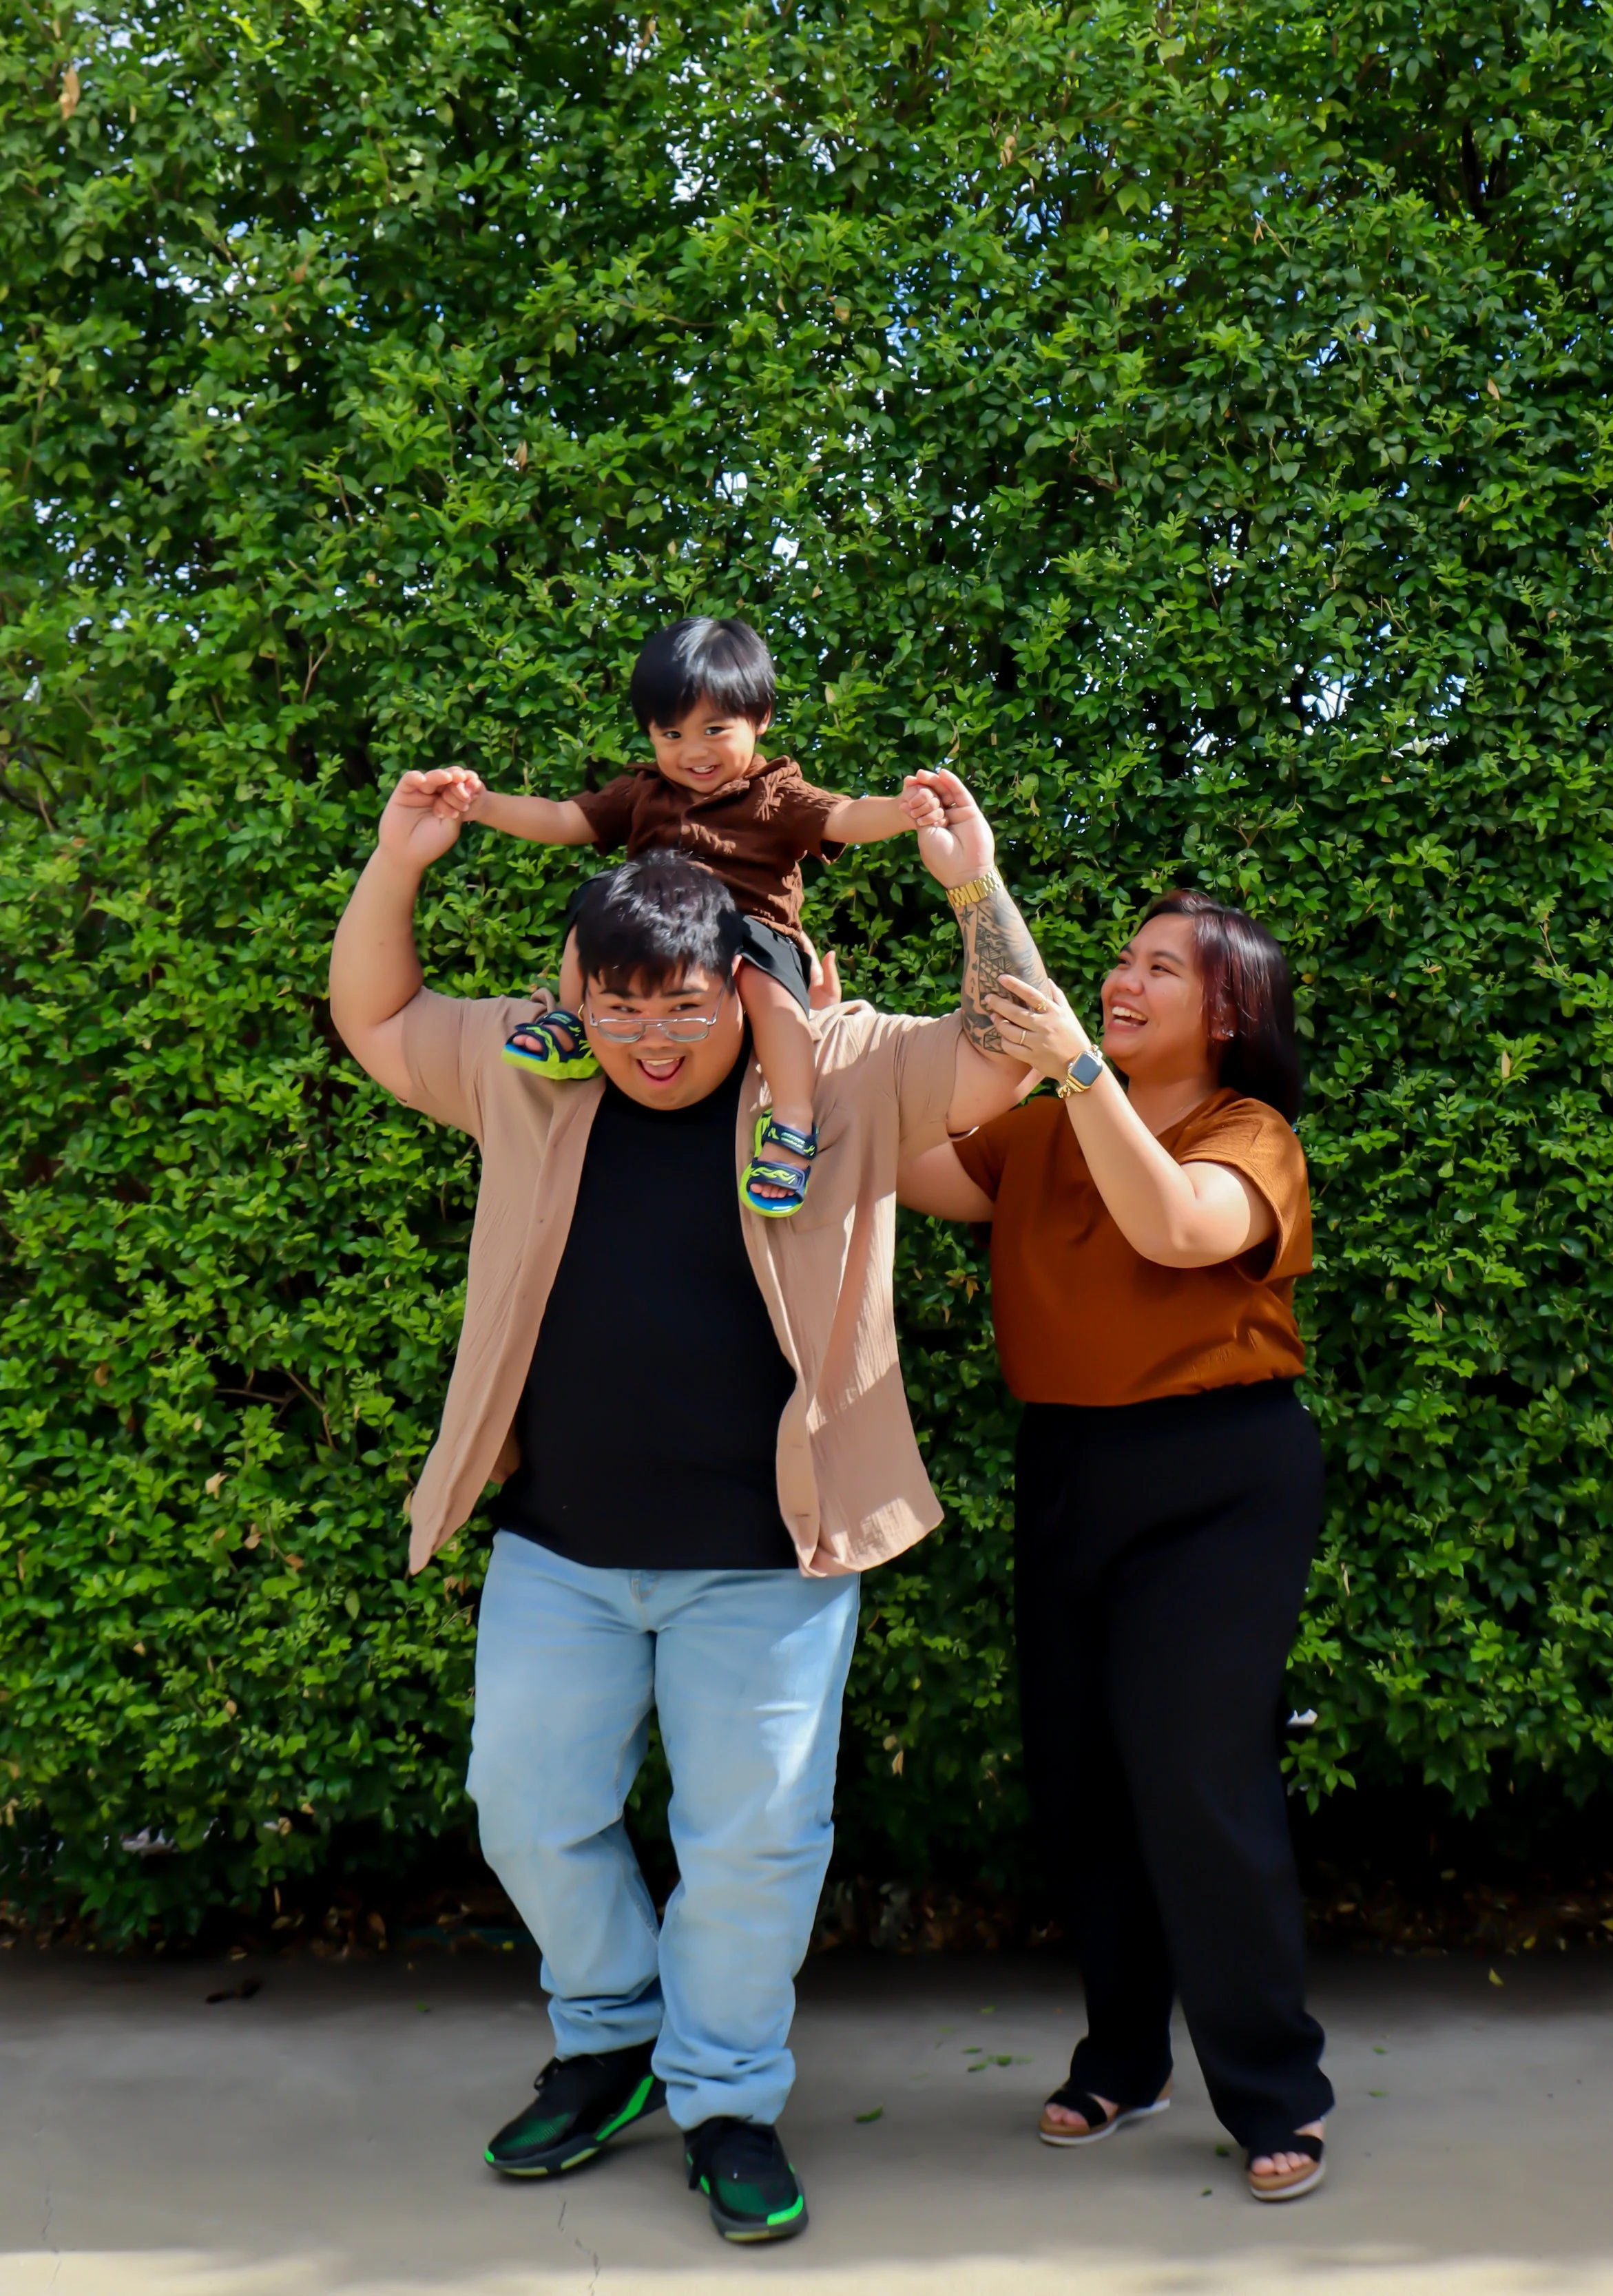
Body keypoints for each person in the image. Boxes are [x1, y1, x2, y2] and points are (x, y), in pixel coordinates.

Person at [326, 762, 1045, 2244]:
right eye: (618, 1007)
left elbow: (1004, 1048)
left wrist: (971, 884)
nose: (648, 1038)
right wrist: (399, 862)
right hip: (562, 1547)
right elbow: (382, 1021)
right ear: (576, 995)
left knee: (752, 1838)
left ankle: (720, 2092)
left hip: (769, 1558)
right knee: (524, 1803)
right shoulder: (534, 1066)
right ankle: (609, 2036)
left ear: (746, 988)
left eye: (682, 1007)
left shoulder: (840, 1069)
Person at [898, 888, 1335, 2204]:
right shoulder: (1038, 1129)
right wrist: (806, 1038)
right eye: (1123, 960)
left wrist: (1078, 1066)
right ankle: (1125, 2055)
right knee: (1082, 1772)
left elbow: (1178, 1227)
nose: (1125, 979)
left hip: (1221, 1475)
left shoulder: (1247, 1132)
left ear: (1231, 1008)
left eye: (1163, 967)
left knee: (1200, 1776)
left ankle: (1274, 2089)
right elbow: (910, 1169)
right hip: (1071, 1466)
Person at [446, 616, 944, 1215]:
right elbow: (561, 820)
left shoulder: (775, 794)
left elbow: (844, 818)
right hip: (657, 927)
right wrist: (484, 804)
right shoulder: (642, 793)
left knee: (769, 992)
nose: (694, 752)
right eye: (672, 735)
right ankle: (575, 1022)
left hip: (750, 928)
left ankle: (791, 1124)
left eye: (715, 729)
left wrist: (903, 809)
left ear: (759, 719)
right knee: (595, 905)